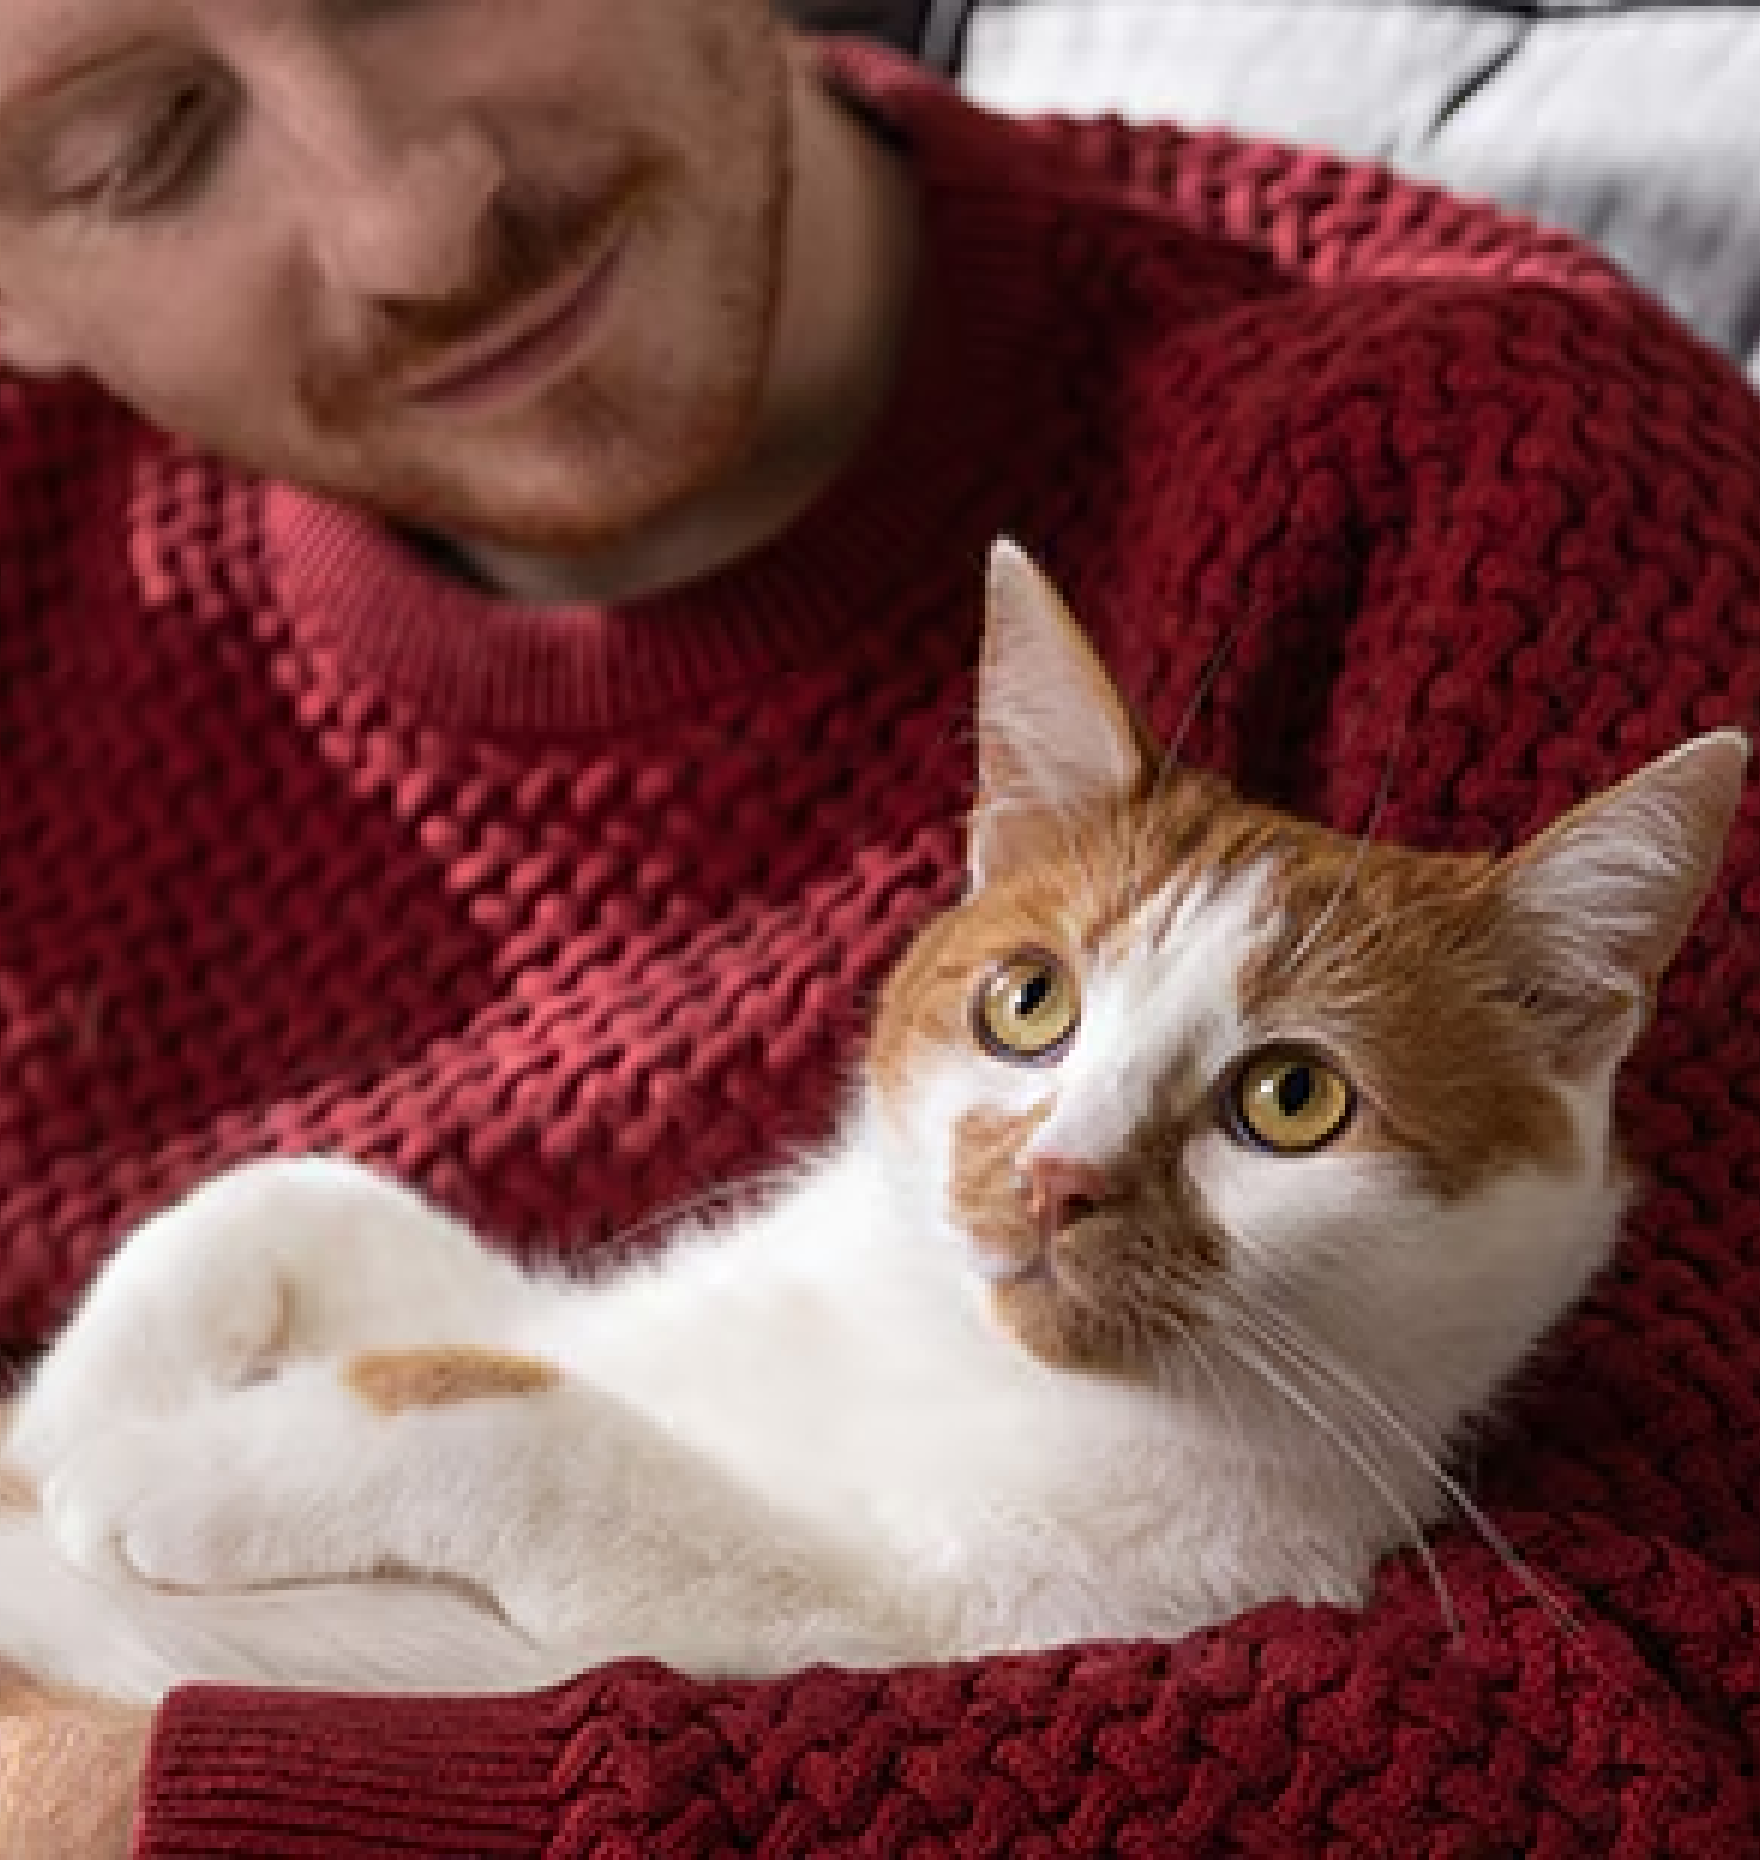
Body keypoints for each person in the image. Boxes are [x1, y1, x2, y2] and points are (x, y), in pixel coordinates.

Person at [1, 2, 1758, 1851]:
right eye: (143, 151)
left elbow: (1651, 1722)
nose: (418, 229)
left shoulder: (1507, 475)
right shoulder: (40, 547)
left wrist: (158, 1807)